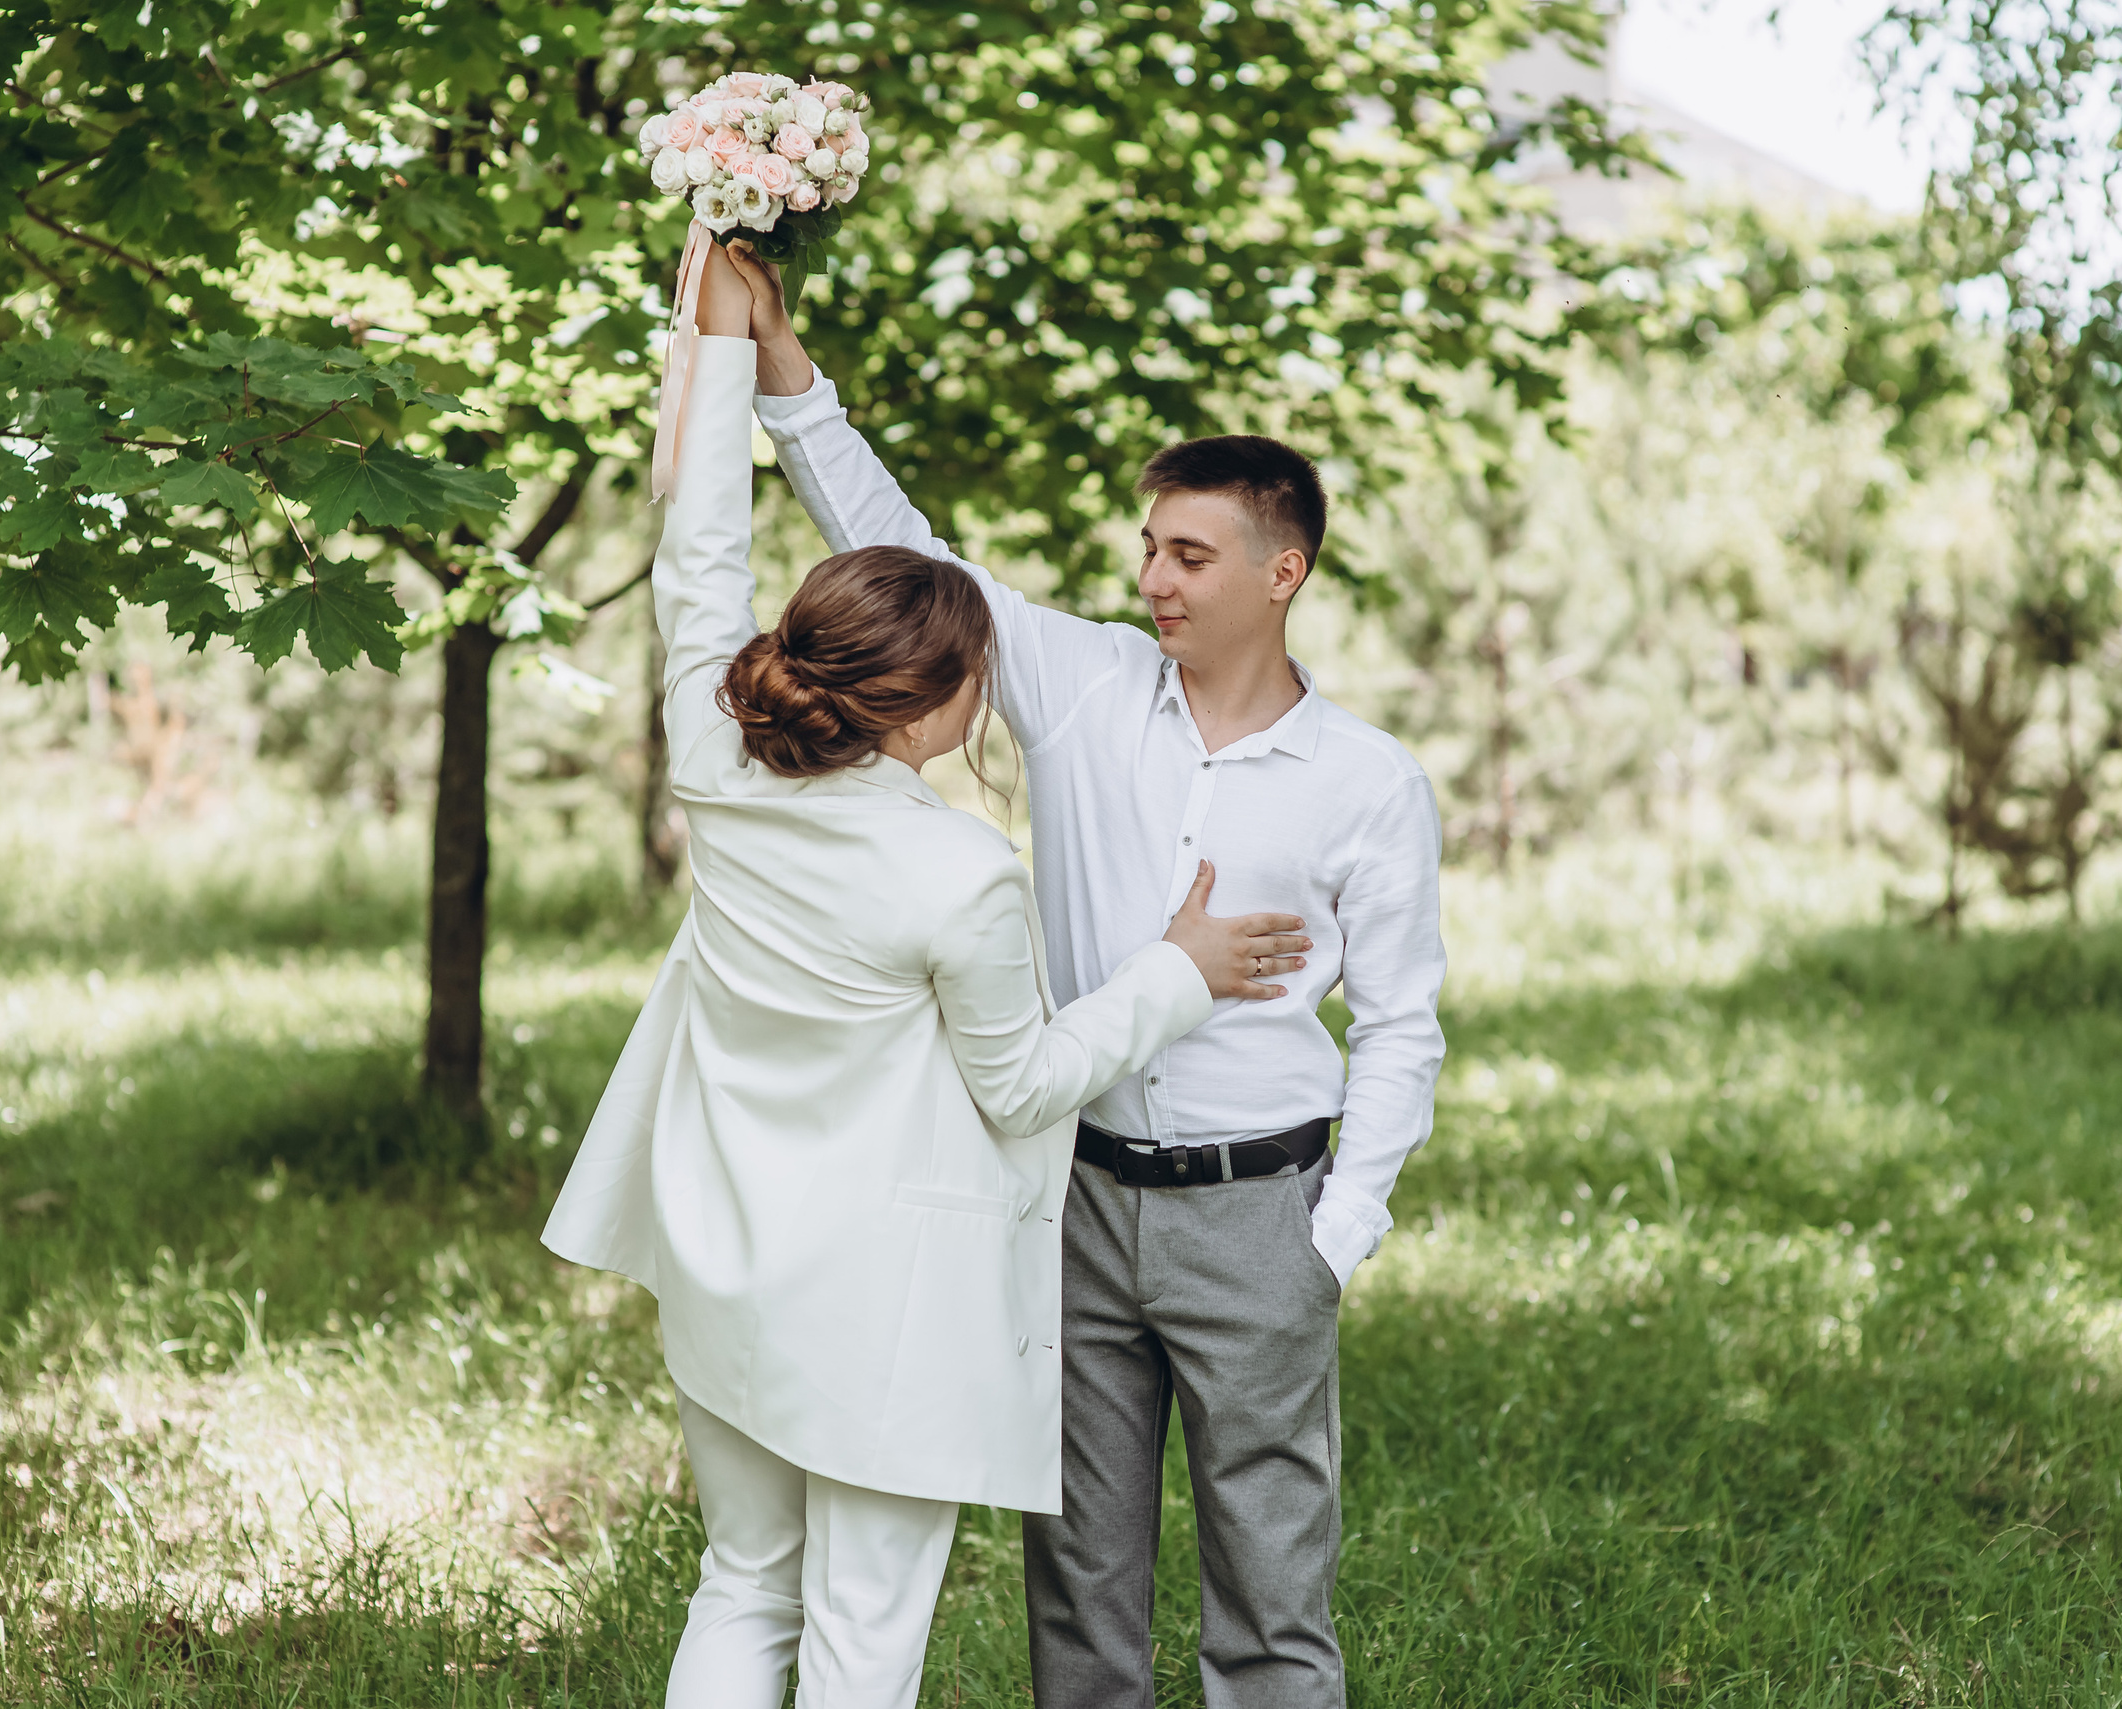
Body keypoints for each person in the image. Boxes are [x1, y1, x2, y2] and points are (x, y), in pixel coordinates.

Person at [540, 242, 1315, 1708]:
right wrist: (1177, 971)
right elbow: (1022, 1080)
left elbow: (700, 549)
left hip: (723, 1256)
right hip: (883, 1305)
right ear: (942, 699)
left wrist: (724, 338)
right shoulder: (961, 876)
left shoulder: (717, 753)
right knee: (861, 1627)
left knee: (742, 1580)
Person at [729, 260, 1449, 1708]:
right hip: (1073, 1200)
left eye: (1189, 554)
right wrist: (781, 358)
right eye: (1148, 547)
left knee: (1272, 1589)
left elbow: (1403, 1023)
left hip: (1262, 1211)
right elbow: (894, 540)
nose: (1151, 579)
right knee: (1078, 1586)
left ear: (1281, 570)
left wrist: (1336, 1232)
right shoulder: (1078, 684)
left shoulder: (1370, 782)